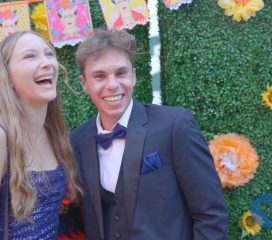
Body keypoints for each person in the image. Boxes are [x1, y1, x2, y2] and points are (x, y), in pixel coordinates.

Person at [71, 29, 228, 239]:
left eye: (121, 73)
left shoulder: (175, 126)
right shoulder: (77, 140)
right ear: (84, 84)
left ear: (133, 76)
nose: (112, 85)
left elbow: (211, 215)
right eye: (99, 76)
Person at [0, 30, 82, 240]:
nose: (46, 63)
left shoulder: (53, 133)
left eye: (49, 54)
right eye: (30, 56)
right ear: (7, 77)